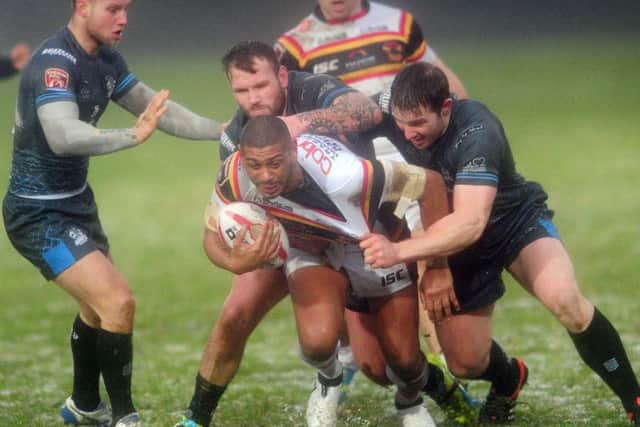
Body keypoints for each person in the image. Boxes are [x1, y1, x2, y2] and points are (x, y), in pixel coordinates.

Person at [174, 41, 474, 427]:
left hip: (367, 228)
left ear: (282, 75)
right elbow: (228, 218)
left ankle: (408, 385)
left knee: (390, 364)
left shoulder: (311, 92)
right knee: (238, 313)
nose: (254, 98)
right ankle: (198, 418)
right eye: (242, 91)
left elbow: (364, 111)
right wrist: (238, 258)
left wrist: (293, 126)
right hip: (297, 236)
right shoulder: (236, 145)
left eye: (262, 86)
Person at [359, 62, 640, 425]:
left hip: (511, 223)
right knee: (465, 362)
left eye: (418, 124)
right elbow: (347, 110)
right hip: (454, 239)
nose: (407, 133)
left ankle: (634, 399)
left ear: (445, 108)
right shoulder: (394, 105)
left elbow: (471, 222)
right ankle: (509, 379)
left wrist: (399, 251)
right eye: (400, 123)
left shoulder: (477, 131)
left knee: (566, 301)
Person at [2, 1, 222, 426]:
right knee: (118, 302)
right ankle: (126, 418)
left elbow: (155, 109)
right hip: (37, 216)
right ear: (82, 6)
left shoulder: (105, 60)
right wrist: (132, 135)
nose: (124, 19)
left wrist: (223, 129)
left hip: (76, 203)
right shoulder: (55, 63)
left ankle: (83, 406)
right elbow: (63, 136)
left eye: (127, 8)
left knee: (97, 308)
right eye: (113, 8)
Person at [203, 115, 455, 426]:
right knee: (317, 344)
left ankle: (409, 400)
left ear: (293, 149)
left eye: (275, 163)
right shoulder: (232, 175)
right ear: (242, 156)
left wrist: (437, 266)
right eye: (255, 165)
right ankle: (329, 379)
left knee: (401, 363)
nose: (265, 175)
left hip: (372, 242)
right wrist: (234, 263)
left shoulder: (346, 176)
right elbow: (211, 236)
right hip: (312, 245)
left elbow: (429, 184)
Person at [274, 0, 469, 398]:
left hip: (410, 166)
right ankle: (352, 357)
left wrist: (467, 130)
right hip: (350, 181)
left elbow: (440, 80)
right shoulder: (294, 45)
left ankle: (447, 377)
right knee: (360, 270)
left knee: (424, 270)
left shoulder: (398, 23)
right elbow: (282, 110)